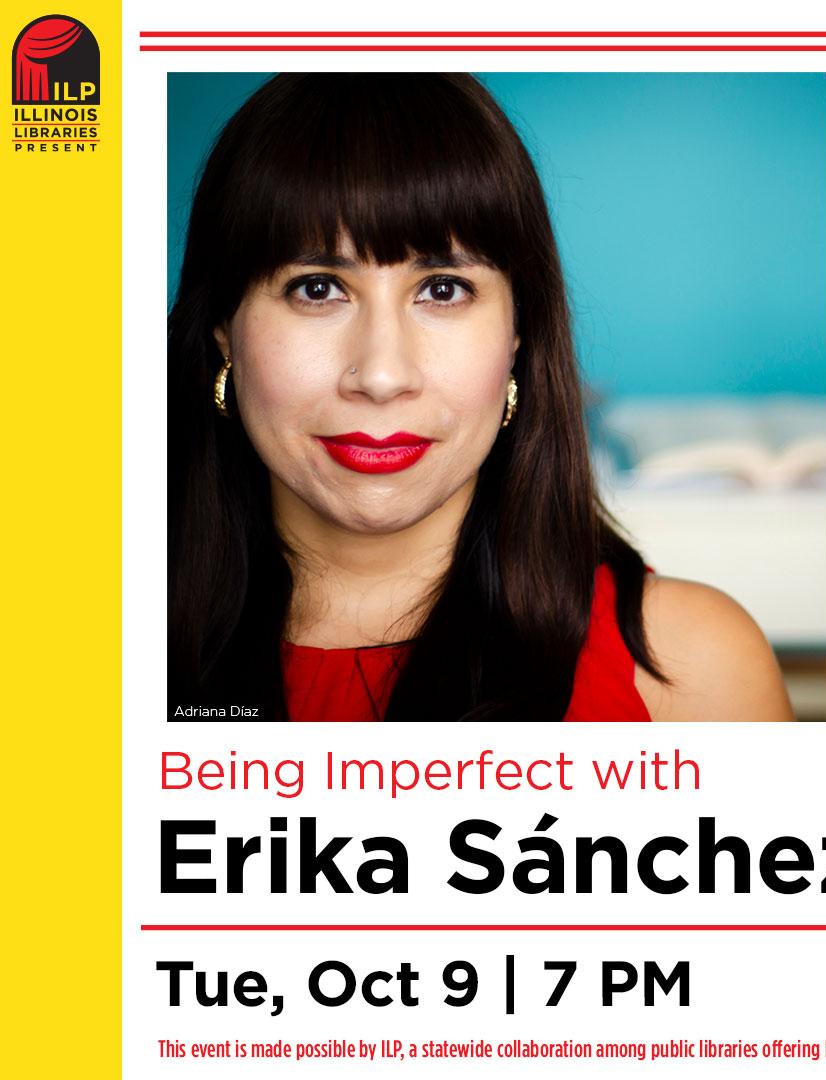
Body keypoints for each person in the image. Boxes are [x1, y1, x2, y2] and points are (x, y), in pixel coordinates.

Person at [168, 73, 792, 723]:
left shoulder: (693, 668)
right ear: (224, 330)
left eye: (442, 290)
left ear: (518, 332)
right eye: (317, 289)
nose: (381, 377)